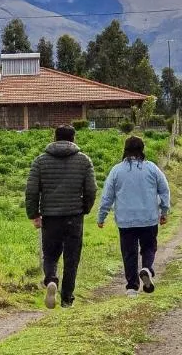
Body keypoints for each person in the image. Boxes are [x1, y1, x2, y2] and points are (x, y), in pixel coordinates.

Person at [25, 125, 97, 309]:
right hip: (74, 216)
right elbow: (91, 189)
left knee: (50, 255)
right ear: (74, 138)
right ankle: (67, 298)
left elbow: (32, 190)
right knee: (72, 259)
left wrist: (34, 214)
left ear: (54, 137)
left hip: (50, 216)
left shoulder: (40, 161)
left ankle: (51, 280)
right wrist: (85, 208)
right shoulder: (84, 161)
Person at [97, 135, 170, 297]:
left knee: (129, 253)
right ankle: (147, 269)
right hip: (148, 218)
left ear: (126, 150)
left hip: (125, 220)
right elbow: (164, 190)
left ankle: (131, 287)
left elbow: (107, 196)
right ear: (142, 150)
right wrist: (164, 211)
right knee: (149, 247)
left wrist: (101, 217)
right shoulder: (152, 168)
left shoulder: (117, 170)